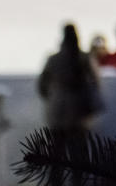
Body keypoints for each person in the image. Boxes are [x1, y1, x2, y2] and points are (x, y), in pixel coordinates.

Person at [37, 23, 103, 164]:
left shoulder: (53, 59)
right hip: (79, 113)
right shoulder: (84, 58)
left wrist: (51, 99)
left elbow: (42, 84)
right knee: (78, 157)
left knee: (56, 155)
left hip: (56, 112)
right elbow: (96, 83)